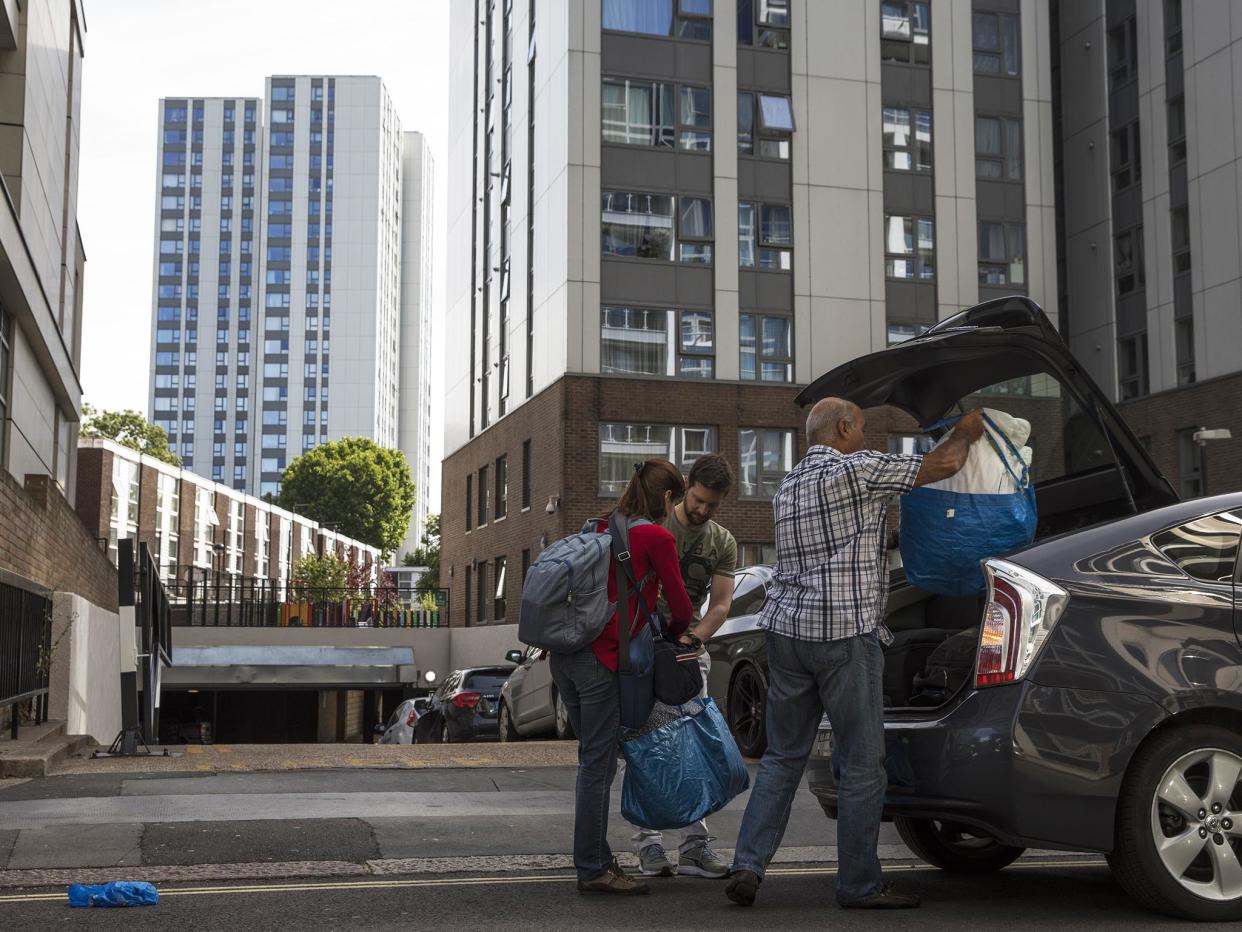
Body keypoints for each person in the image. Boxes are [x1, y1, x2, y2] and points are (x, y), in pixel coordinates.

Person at [727, 398, 985, 910]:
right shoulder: (857, 469)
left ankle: (748, 866)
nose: (865, 438)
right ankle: (859, 885)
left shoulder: (789, 486)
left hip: (787, 634)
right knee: (864, 766)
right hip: (843, 635)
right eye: (862, 429)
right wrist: (967, 430)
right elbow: (945, 465)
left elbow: (836, 542)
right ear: (843, 427)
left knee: (781, 758)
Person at [550, 458, 695, 896]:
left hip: (565, 656)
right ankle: (593, 867)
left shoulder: (598, 529)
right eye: (677, 500)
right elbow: (682, 609)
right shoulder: (655, 536)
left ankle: (596, 854)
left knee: (592, 758)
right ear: (667, 498)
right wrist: (671, 636)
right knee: (597, 765)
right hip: (602, 660)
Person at [629, 453, 738, 880]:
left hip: (688, 650)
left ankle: (695, 847)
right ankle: (649, 845)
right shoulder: (654, 524)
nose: (702, 510)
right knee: (646, 747)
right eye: (697, 500)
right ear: (685, 487)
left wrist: (694, 639)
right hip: (642, 649)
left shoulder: (723, 541)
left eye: (712, 505)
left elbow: (723, 603)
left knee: (694, 747)